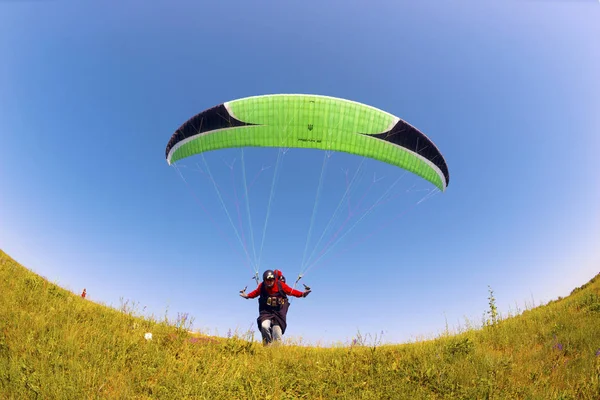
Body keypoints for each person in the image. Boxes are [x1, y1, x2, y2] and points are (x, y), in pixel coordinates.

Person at [240, 269, 311, 345]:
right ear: (264, 280)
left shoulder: (280, 285)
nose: (269, 282)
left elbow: (291, 291)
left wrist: (302, 294)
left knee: (277, 331)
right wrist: (247, 296)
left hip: (279, 312)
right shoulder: (262, 286)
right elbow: (256, 292)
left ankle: (276, 351)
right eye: (267, 280)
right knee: (264, 326)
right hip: (266, 311)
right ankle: (267, 346)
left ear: (274, 279)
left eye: (271, 280)